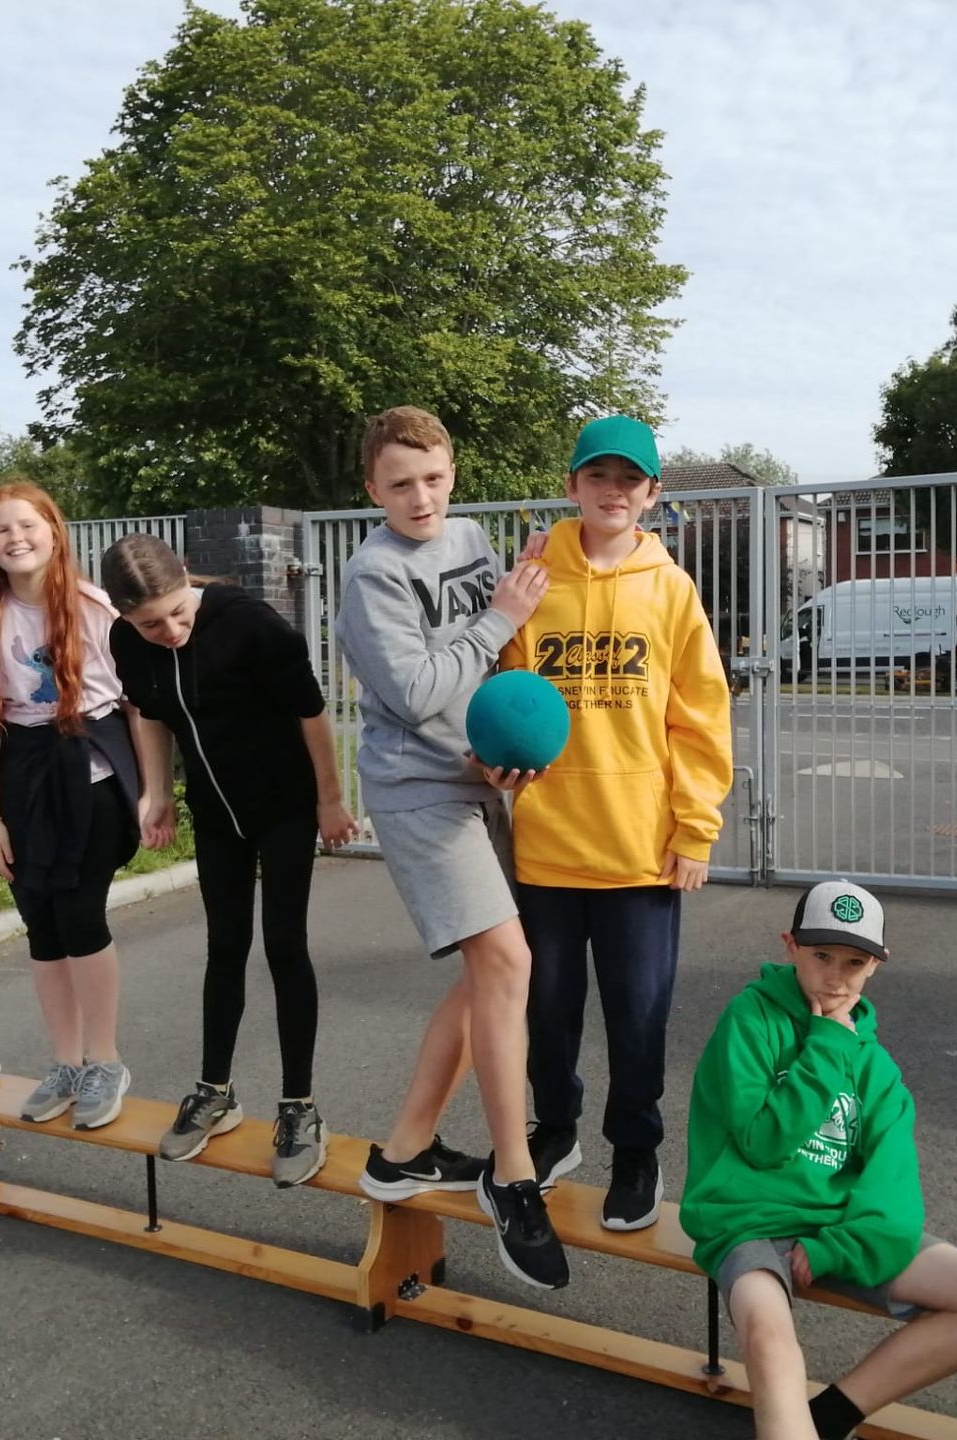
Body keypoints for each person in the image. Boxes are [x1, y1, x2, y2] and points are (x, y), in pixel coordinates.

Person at [332, 404, 570, 1291]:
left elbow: (495, 665)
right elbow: (418, 690)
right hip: (418, 790)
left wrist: (510, 739)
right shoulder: (372, 575)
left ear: (453, 473)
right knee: (508, 963)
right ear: (372, 488)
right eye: (400, 484)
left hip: (479, 777)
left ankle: (403, 1151)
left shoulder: (470, 538)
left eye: (433, 478)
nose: (421, 497)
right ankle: (513, 1176)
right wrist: (500, 615)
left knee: (487, 975)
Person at [682, 880, 957, 1440]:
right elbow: (762, 1142)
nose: (836, 976)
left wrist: (836, 1248)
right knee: (769, 1339)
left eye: (855, 962)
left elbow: (893, 1186)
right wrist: (826, 1042)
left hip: (838, 1227)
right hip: (746, 1219)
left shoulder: (877, 1067)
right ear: (790, 946)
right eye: (821, 955)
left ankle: (830, 1417)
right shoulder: (750, 1018)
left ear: (877, 965)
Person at [498, 414, 733, 1230]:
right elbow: (505, 696)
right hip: (547, 844)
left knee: (639, 1017)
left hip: (641, 851)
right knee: (547, 1012)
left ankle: (635, 1149)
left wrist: (695, 830)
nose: (612, 491)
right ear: (572, 485)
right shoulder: (533, 580)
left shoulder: (670, 589)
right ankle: (556, 1128)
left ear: (653, 494)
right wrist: (495, 759)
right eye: (597, 475)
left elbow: (700, 718)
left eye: (629, 479)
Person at [101, 534, 356, 1187]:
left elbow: (311, 712)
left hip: (284, 806)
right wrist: (157, 793)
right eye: (150, 624)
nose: (169, 631)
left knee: (284, 946)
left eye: (176, 612)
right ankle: (215, 1092)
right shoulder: (126, 642)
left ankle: (300, 1107)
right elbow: (151, 715)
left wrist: (330, 800)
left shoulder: (250, 624)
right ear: (124, 616)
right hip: (217, 813)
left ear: (187, 577)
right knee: (224, 947)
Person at [0, 480, 152, 1132]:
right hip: (24, 777)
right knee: (40, 923)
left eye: (27, 525)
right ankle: (66, 1062)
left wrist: (150, 792)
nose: (16, 538)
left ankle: (105, 1060)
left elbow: (137, 706)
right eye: (1, 529)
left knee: (79, 912)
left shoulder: (94, 608)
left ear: (53, 531)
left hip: (89, 772)